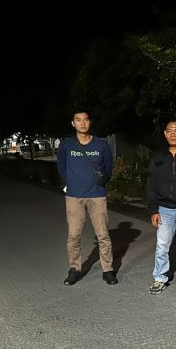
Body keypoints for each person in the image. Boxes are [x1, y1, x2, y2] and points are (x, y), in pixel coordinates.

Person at [56, 109, 118, 286]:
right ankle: (74, 269)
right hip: (74, 197)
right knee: (73, 236)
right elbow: (61, 167)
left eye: (86, 120)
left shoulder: (101, 145)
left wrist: (101, 183)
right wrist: (71, 183)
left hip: (97, 195)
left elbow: (108, 168)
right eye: (78, 120)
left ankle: (108, 270)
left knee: (103, 235)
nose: (82, 123)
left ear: (90, 122)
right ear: (73, 123)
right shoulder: (66, 145)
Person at [146, 120, 176, 295]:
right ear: (165, 134)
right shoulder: (158, 156)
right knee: (162, 245)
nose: (173, 134)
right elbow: (151, 184)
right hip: (164, 209)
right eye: (169, 131)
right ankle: (160, 278)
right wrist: (153, 210)